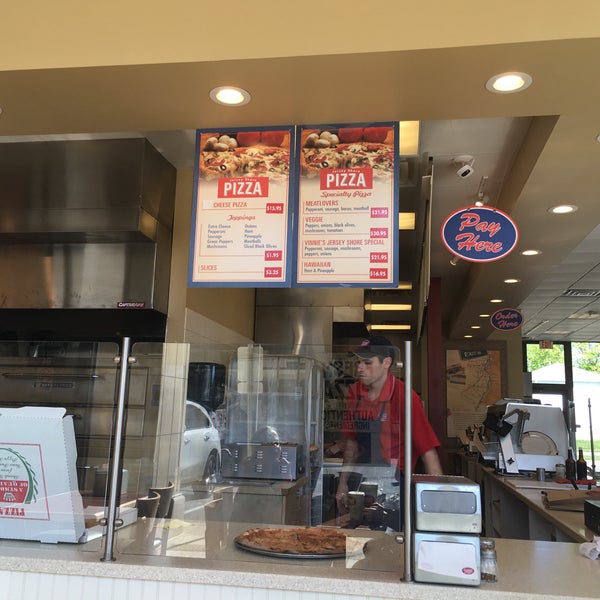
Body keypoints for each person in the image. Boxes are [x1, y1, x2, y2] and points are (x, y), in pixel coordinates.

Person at [335, 335, 442, 530]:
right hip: (361, 478)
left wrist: (436, 503)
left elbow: (428, 452)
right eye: (358, 362)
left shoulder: (405, 397)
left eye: (367, 363)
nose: (360, 368)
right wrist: (342, 483)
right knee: (355, 537)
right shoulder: (355, 392)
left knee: (389, 539)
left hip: (393, 484)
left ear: (386, 363)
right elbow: (351, 443)